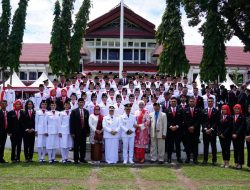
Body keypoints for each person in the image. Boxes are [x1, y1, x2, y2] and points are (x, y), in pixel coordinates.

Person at [70, 98, 90, 164]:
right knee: (76, 147)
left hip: (84, 132)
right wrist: (72, 132)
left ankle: (82, 159)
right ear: (78, 103)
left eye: (82, 102)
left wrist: (88, 132)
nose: (81, 103)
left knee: (83, 147)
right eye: (80, 102)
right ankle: (76, 159)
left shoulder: (86, 111)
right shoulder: (74, 111)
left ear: (84, 103)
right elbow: (71, 122)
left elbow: (87, 123)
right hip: (76, 133)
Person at [201, 97, 220, 165]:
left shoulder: (216, 111)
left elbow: (216, 122)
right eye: (209, 101)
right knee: (205, 146)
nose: (210, 102)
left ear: (213, 102)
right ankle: (205, 160)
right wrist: (205, 129)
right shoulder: (203, 111)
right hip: (205, 131)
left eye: (211, 101)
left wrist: (211, 129)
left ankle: (214, 160)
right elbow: (202, 122)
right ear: (207, 102)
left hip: (213, 131)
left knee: (213, 146)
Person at [183, 97, 201, 164]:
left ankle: (195, 159)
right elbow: (185, 120)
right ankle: (188, 158)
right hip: (187, 131)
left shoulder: (198, 110)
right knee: (188, 145)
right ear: (188, 102)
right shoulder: (185, 110)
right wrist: (189, 127)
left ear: (195, 102)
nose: (192, 102)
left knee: (195, 145)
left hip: (196, 130)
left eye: (193, 101)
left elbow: (199, 120)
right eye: (190, 101)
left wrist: (193, 127)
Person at [166, 97, 183, 163]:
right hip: (170, 130)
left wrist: (176, 126)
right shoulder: (167, 110)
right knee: (170, 145)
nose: (173, 102)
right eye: (172, 101)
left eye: (174, 101)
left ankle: (179, 157)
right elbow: (166, 120)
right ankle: (169, 158)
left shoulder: (180, 110)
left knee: (178, 145)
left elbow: (181, 120)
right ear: (170, 102)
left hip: (178, 130)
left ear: (176, 102)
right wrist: (170, 126)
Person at [232, 104, 246, 169]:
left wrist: (236, 133)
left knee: (240, 150)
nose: (236, 110)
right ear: (234, 109)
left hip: (240, 136)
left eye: (238, 109)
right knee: (235, 150)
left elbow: (242, 126)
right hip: (233, 136)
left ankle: (240, 164)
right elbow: (231, 126)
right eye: (235, 109)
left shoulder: (242, 117)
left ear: (240, 110)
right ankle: (236, 163)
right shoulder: (232, 116)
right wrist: (233, 134)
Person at [245, 105, 250, 171]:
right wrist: (245, 136)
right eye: (249, 108)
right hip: (247, 138)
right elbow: (245, 128)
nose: (249, 109)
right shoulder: (247, 117)